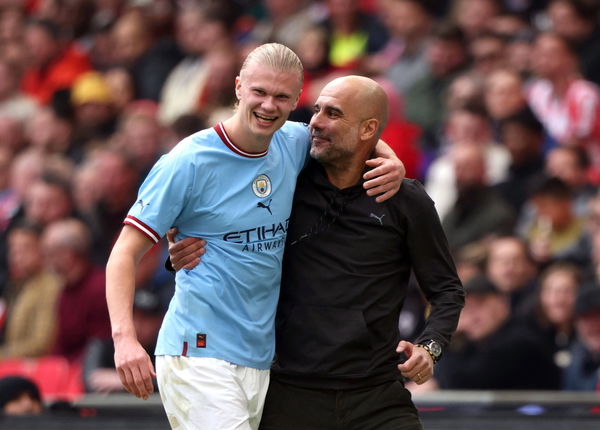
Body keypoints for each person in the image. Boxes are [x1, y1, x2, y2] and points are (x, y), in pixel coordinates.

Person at [106, 43, 403, 430]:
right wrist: (124, 340)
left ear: (297, 99)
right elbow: (124, 254)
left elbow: (350, 133)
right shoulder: (188, 161)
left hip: (260, 358)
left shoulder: (294, 142)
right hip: (198, 350)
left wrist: (391, 159)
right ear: (238, 88)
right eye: (259, 92)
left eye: (281, 96)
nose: (268, 106)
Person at [170, 75, 465, 429]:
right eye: (317, 109)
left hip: (376, 397)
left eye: (333, 113)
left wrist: (429, 347)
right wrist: (180, 256)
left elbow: (447, 290)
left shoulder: (405, 199)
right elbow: (227, 235)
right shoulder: (285, 183)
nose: (315, 122)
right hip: (289, 394)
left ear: (368, 128)